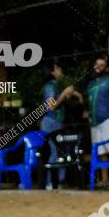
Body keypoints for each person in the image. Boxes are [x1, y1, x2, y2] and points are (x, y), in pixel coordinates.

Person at [40, 59, 81, 190]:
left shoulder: (55, 85)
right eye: (58, 68)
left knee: (61, 153)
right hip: (51, 123)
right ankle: (51, 183)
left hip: (57, 122)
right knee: (54, 152)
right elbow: (51, 107)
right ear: (53, 71)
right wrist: (64, 94)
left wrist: (70, 95)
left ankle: (60, 182)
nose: (60, 70)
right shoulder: (50, 87)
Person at [85, 56, 109, 188]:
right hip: (94, 123)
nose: (98, 66)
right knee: (101, 152)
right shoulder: (89, 85)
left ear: (106, 68)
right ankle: (105, 181)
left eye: (101, 65)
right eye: (96, 64)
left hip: (107, 121)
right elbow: (90, 103)